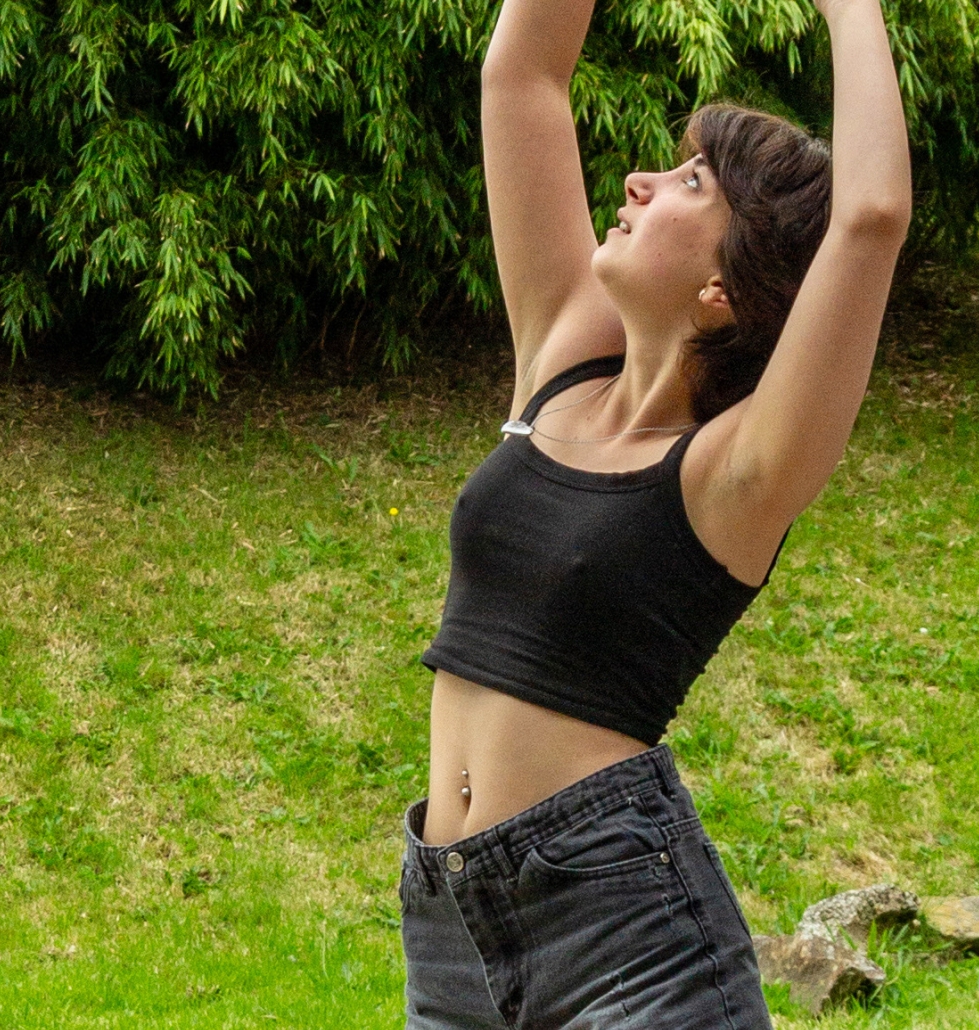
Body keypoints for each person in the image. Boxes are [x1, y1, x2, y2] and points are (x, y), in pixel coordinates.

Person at [400, 0, 908, 1027]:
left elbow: (870, 218)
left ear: (726, 286)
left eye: (689, 182)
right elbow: (523, 74)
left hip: (627, 944)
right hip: (450, 928)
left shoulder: (740, 470)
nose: (637, 181)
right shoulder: (562, 365)